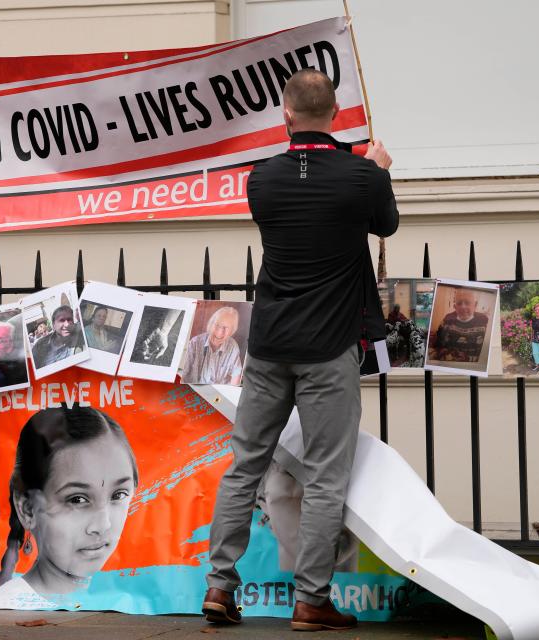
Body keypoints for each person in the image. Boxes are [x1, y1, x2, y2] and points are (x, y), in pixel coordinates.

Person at [202, 69, 397, 632]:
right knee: (325, 476)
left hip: (268, 346)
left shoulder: (261, 180)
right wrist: (380, 171)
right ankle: (311, 600)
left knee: (244, 467)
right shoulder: (362, 177)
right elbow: (386, 224)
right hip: (329, 348)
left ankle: (219, 586)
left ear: (285, 115)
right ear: (336, 114)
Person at [0, 405, 139, 608]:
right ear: (27, 509)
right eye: (78, 499)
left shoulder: (130, 598)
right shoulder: (0, 608)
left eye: (118, 495)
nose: (103, 525)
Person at [180, 306, 244, 385]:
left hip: (218, 394)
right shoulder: (194, 343)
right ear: (211, 324)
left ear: (232, 331)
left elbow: (236, 374)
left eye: (226, 328)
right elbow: (182, 373)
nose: (220, 332)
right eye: (217, 325)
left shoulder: (233, 347)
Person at [431, 288, 490, 363]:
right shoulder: (447, 319)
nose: (463, 306)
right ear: (455, 307)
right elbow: (438, 342)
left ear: (475, 305)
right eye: (459, 303)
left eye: (467, 303)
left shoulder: (484, 321)